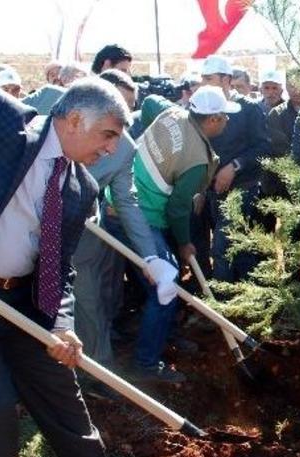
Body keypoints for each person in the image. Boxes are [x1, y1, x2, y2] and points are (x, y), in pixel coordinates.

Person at [0, 78, 129, 457]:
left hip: (22, 302)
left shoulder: (81, 188)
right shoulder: (1, 123)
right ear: (74, 119)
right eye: (108, 135)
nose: (111, 148)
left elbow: (59, 267)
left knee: (59, 387)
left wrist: (61, 325)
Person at [71, 74, 177, 397]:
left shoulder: (124, 149)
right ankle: (99, 373)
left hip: (91, 228)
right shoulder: (63, 126)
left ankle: (98, 354)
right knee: (86, 296)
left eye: (128, 108)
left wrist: (150, 255)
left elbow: (127, 201)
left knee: (101, 294)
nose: (121, 116)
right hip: (47, 229)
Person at [128, 86, 237, 383]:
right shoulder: (197, 159)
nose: (227, 121)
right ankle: (146, 363)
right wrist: (185, 242)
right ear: (213, 119)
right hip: (144, 214)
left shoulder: (173, 112)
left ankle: (167, 335)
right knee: (166, 285)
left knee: (162, 284)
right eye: (225, 117)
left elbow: (148, 101)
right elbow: (178, 208)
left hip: (124, 196)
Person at [199, 55, 272, 282]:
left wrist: (234, 166)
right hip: (212, 191)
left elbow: (263, 148)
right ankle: (242, 299)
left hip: (242, 190)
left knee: (222, 247)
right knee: (237, 248)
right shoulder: (204, 107)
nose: (204, 84)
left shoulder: (248, 109)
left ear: (225, 79)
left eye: (209, 78)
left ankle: (222, 306)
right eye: (203, 79)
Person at [268, 69, 300, 157]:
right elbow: (279, 149)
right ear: (286, 86)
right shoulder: (277, 114)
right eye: (292, 86)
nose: (297, 90)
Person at [23, 63, 89, 115]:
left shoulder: (85, 101)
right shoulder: (44, 94)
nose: (57, 77)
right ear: (48, 79)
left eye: (59, 73)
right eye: (52, 75)